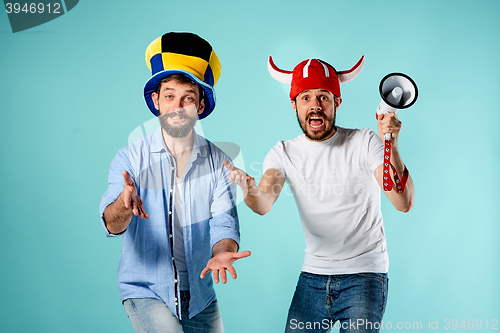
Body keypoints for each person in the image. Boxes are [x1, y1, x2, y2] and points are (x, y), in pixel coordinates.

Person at [225, 56, 414, 332]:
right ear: (294, 105)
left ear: (337, 102)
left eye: (323, 97)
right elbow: (263, 203)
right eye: (306, 98)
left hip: (365, 274)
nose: (315, 106)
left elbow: (403, 201)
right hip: (313, 276)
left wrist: (391, 145)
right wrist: (248, 187)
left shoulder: (364, 142)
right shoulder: (284, 152)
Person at [99, 32, 250, 333]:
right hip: (145, 290)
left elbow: (224, 224)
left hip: (200, 296)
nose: (177, 107)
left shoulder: (218, 161)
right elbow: (112, 224)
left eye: (188, 98)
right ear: (156, 101)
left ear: (200, 106)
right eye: (169, 96)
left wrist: (222, 252)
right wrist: (124, 205)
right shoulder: (130, 158)